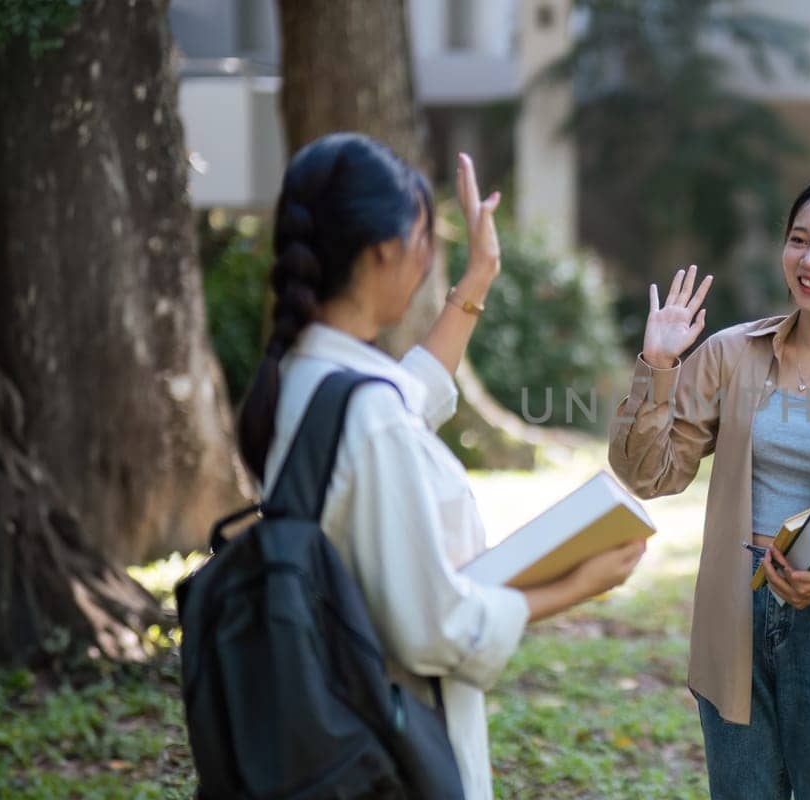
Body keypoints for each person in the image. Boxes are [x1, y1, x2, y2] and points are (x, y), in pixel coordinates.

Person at [236, 132, 645, 800]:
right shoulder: (368, 412)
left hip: (322, 723)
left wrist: (475, 281)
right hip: (389, 742)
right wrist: (580, 583)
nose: (429, 258)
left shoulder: (303, 372)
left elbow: (406, 396)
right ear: (385, 250)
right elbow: (435, 629)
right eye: (426, 238)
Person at [607, 168, 810, 799]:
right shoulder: (733, 355)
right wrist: (658, 365)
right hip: (736, 612)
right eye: (799, 239)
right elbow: (647, 474)